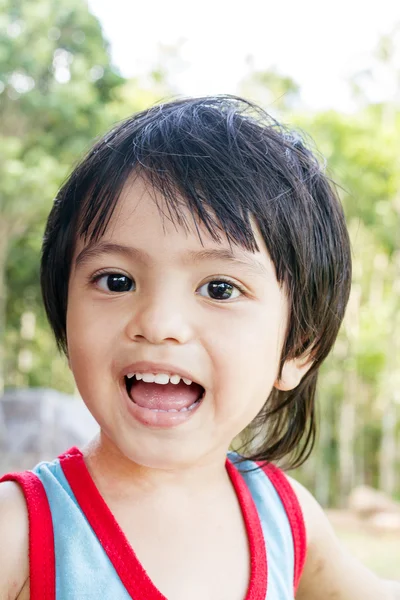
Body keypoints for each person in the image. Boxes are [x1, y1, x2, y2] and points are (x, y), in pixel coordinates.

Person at [0, 95, 398, 600]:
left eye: (219, 289)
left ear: (297, 347)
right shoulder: (22, 532)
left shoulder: (284, 519)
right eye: (117, 281)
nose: (160, 323)